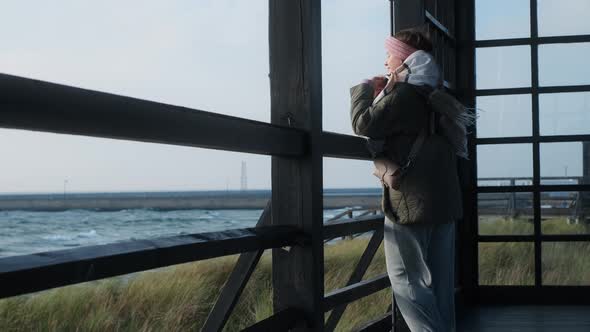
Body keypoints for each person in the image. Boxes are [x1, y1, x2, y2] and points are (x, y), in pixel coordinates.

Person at [350, 28, 471, 332]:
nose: (386, 60)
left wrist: (365, 88)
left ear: (404, 59)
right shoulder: (435, 93)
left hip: (411, 204)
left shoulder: (405, 94)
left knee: (406, 281)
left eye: (390, 54)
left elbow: (363, 124)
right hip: (444, 202)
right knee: (441, 287)